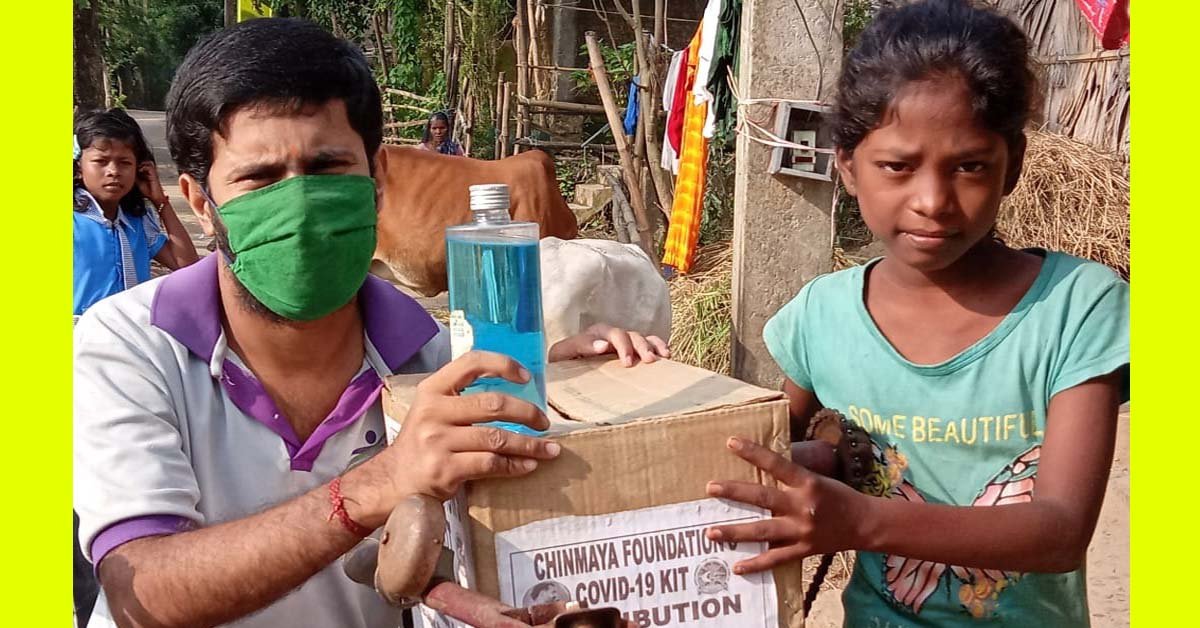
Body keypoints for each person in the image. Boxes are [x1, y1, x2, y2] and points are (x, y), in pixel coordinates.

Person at [72, 18, 668, 628]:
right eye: (260, 178)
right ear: (201, 201)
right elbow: (143, 594)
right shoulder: (128, 346)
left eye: (328, 167)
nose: (301, 205)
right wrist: (373, 487)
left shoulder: (430, 361)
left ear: (377, 178)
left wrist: (557, 382)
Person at [705, 1, 1128, 626]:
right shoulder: (821, 316)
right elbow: (756, 455)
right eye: (897, 167)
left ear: (1012, 165)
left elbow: (1060, 531)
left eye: (970, 166)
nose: (932, 200)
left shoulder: (1076, 307)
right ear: (847, 165)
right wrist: (608, 367)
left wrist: (863, 520)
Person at [73, 109, 199, 318]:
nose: (113, 171)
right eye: (101, 161)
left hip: (131, 332)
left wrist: (160, 202)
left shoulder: (137, 220)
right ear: (79, 168)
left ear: (139, 169)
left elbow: (186, 265)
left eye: (125, 163)